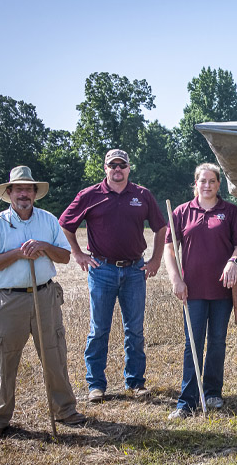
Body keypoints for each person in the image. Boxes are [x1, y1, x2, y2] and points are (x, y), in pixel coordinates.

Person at [59, 149, 167, 402]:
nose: (117, 169)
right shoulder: (90, 195)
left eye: (122, 165)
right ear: (105, 168)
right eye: (112, 165)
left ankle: (135, 382)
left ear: (129, 168)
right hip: (102, 270)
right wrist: (78, 254)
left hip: (134, 270)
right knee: (99, 329)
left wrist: (155, 260)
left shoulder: (142, 195)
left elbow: (161, 229)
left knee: (135, 330)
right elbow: (65, 224)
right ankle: (96, 385)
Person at [0, 166, 85, 436]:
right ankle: (1, 418)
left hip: (45, 295)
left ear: (35, 193)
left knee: (53, 353)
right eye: (18, 189)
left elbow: (65, 257)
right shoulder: (0, 222)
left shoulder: (48, 220)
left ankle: (65, 410)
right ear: (9, 192)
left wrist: (44, 247)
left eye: (28, 188)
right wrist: (18, 253)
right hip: (9, 300)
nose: (23, 193)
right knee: (4, 360)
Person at [164, 163, 237, 420]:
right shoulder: (180, 212)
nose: (207, 185)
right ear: (196, 183)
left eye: (212, 181)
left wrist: (233, 261)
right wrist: (176, 280)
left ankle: (212, 392)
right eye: (203, 181)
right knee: (193, 343)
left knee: (217, 343)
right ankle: (186, 400)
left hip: (223, 290)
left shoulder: (231, 212)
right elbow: (169, 250)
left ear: (218, 184)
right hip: (192, 291)